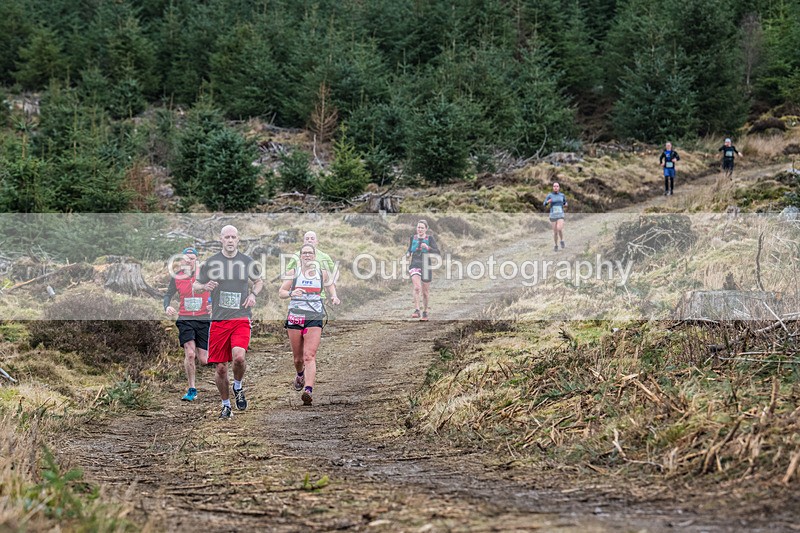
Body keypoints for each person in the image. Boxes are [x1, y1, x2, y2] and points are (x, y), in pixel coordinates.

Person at [194, 225, 264, 420]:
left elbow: (259, 281)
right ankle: (226, 406)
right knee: (221, 369)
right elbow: (196, 285)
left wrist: (253, 294)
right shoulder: (212, 262)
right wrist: (204, 286)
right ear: (221, 239)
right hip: (218, 320)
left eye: (234, 237)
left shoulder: (246, 261)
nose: (231, 240)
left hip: (241, 316)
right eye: (227, 237)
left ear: (238, 239)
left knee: (239, 358)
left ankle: (238, 387)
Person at [279, 243, 340, 406]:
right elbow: (281, 292)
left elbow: (330, 285)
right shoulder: (294, 272)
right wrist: (292, 292)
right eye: (304, 253)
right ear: (300, 256)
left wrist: (334, 296)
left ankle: (308, 390)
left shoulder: (321, 273)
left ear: (314, 256)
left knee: (309, 356)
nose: (307, 256)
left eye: (310, 253)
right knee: (298, 359)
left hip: (314, 316)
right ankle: (300, 374)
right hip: (295, 316)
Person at [164, 247, 211, 402]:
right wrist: (167, 306)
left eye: (192, 258)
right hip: (185, 318)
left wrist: (212, 303)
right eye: (186, 258)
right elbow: (168, 294)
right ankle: (192, 389)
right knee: (190, 354)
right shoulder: (177, 276)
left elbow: (216, 290)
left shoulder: (204, 275)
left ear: (196, 260)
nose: (189, 261)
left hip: (203, 318)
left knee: (204, 360)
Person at [283, 231, 337, 296]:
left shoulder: (324, 256)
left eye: (312, 238)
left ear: (317, 241)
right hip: (299, 295)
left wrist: (334, 281)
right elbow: (287, 273)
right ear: (303, 242)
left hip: (319, 295)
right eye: (307, 239)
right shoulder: (296, 256)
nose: (309, 240)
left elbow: (335, 270)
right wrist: (290, 290)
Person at [406, 220, 440, 321]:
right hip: (415, 263)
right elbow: (409, 249)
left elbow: (437, 252)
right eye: (418, 227)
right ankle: (417, 310)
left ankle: (425, 311)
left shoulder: (430, 238)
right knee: (417, 287)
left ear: (426, 229)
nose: (419, 229)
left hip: (426, 264)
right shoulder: (413, 238)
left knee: (425, 292)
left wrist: (428, 248)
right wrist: (408, 254)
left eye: (422, 228)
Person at [543, 182, 567, 251]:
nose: (555, 187)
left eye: (557, 186)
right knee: (555, 232)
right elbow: (544, 203)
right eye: (554, 186)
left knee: (559, 228)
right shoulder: (550, 195)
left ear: (559, 187)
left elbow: (565, 202)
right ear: (553, 188)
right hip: (553, 215)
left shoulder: (562, 195)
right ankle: (556, 245)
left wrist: (566, 204)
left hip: (560, 214)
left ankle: (562, 240)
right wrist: (548, 202)